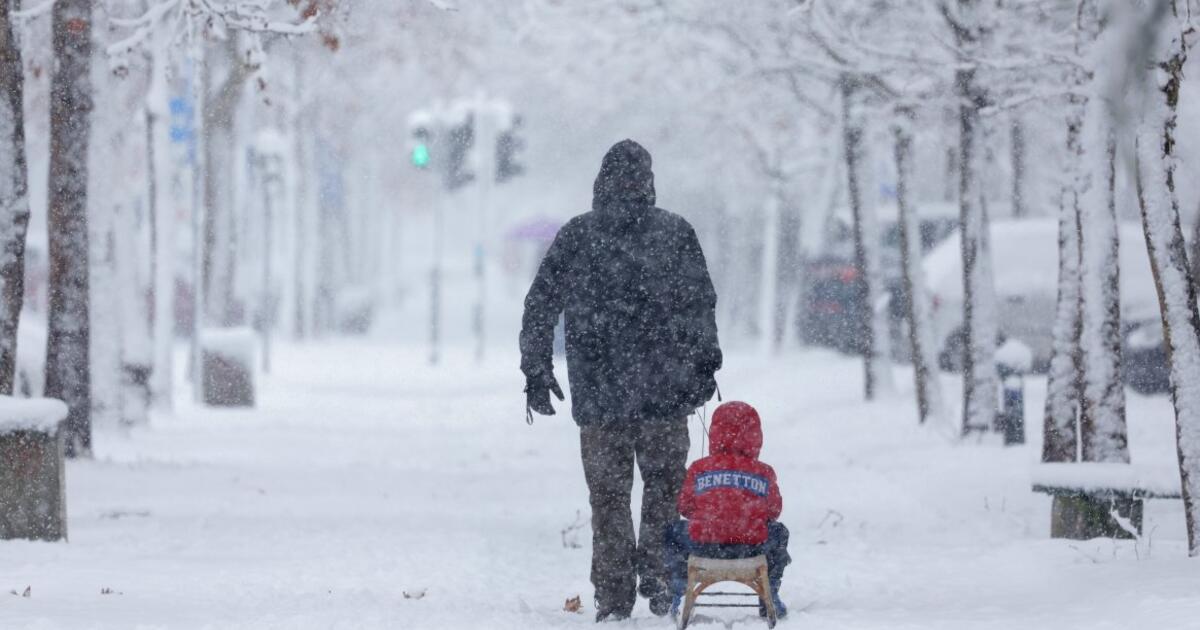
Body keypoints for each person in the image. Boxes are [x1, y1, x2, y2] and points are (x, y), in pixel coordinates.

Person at [520, 139, 722, 622]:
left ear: (600, 181)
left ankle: (613, 597)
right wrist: (703, 366)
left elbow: (541, 303)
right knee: (665, 493)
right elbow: (700, 305)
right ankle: (656, 576)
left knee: (608, 501)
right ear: (649, 181)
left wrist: (536, 367)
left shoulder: (579, 235)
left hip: (601, 397)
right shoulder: (675, 233)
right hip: (664, 394)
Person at [665, 401, 790, 619]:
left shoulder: (699, 468)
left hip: (703, 545)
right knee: (780, 532)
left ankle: (680, 592)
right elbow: (774, 511)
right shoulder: (764, 472)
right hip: (751, 547)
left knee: (672, 532)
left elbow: (684, 507)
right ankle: (770, 593)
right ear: (755, 436)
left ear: (715, 433)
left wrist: (711, 514)